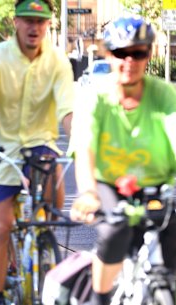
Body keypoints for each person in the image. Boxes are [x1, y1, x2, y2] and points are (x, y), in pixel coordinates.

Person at [0, 1, 75, 304]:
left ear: (49, 24)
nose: (34, 27)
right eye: (28, 20)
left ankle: (43, 238)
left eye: (40, 21)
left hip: (39, 142)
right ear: (15, 22)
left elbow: (68, 109)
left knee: (54, 176)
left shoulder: (58, 61)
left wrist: (80, 144)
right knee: (1, 226)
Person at [69, 16, 176, 305]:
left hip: (161, 184)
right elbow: (86, 148)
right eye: (120, 53)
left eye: (138, 53)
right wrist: (89, 193)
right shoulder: (95, 96)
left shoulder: (165, 94)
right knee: (114, 230)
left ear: (149, 55)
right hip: (109, 184)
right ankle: (99, 298)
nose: (129, 60)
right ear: (108, 54)